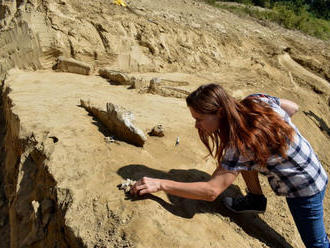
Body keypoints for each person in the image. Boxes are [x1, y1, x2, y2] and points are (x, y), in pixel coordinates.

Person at [130, 83, 329, 248]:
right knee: (243, 161)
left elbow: (210, 191)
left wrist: (161, 184)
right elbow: (293, 107)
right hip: (313, 166)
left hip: (304, 189)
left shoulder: (240, 146)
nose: (196, 126)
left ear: (219, 112)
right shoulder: (257, 100)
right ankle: (255, 199)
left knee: (317, 243)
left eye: (199, 119)